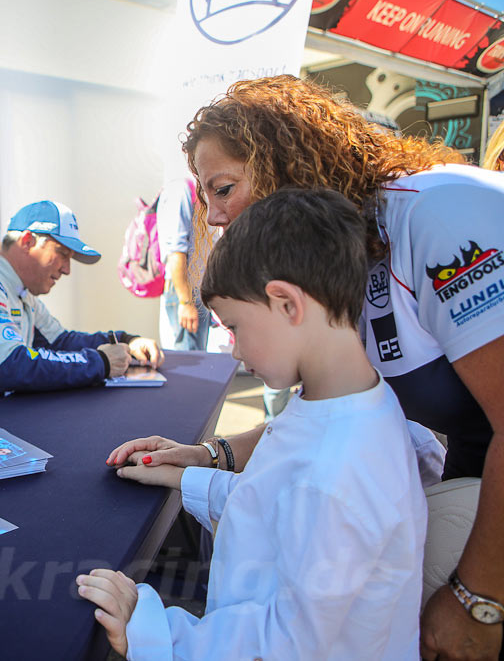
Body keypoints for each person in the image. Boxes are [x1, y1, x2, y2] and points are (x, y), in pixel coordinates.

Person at [148, 75, 504, 659]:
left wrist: (479, 598)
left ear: (287, 163)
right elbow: (325, 416)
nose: (212, 217)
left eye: (224, 188)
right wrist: (213, 454)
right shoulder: (349, 264)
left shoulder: (433, 217)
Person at [80, 188, 428, 658]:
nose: (237, 351)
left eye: (236, 328)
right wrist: (183, 478)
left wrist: (148, 627)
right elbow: (269, 499)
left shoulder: (338, 469)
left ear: (287, 303)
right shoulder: (347, 403)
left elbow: (288, 642)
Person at [0, 199, 163, 444]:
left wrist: (124, 340)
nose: (67, 269)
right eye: (62, 253)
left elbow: (61, 341)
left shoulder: (15, 287)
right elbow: (12, 366)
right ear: (27, 241)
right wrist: (101, 362)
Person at [156, 177, 210, 351]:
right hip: (186, 288)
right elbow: (176, 251)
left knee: (196, 358)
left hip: (194, 288)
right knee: (190, 361)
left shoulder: (186, 188)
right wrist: (186, 302)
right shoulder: (180, 190)